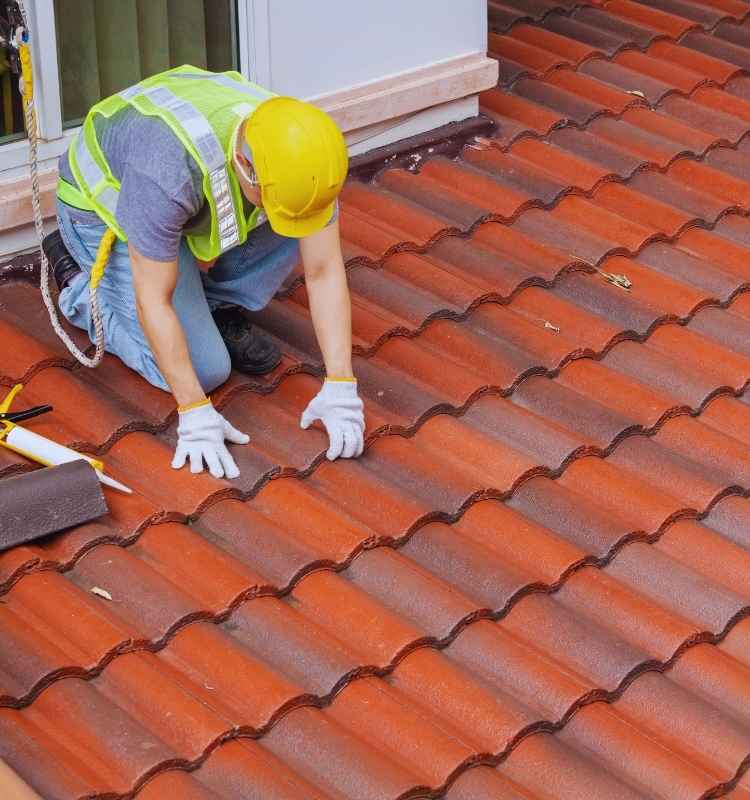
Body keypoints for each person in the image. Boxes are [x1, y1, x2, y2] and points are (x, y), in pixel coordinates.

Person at [43, 65, 365, 480]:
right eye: (266, 200)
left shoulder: (300, 154)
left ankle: (211, 307)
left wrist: (342, 383)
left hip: (170, 202)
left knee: (296, 219)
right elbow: (152, 300)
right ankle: (78, 288)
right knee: (207, 370)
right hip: (106, 210)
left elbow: (322, 270)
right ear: (244, 166)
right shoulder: (168, 171)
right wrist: (194, 410)